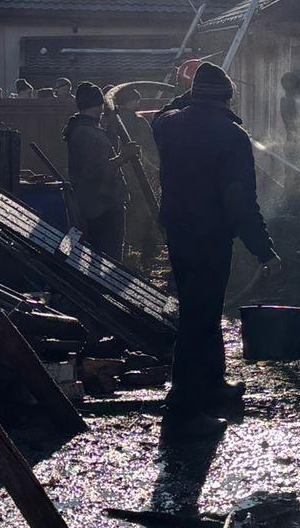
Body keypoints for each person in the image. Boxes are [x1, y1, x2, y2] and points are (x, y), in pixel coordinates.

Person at [152, 61, 279, 435]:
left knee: (203, 312)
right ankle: (184, 411)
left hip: (178, 233)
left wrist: (190, 92)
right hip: (209, 237)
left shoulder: (169, 126)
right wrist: (263, 250)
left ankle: (212, 385)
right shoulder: (231, 136)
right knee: (198, 318)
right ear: (227, 99)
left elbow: (162, 113)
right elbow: (239, 200)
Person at [64, 82, 133, 261]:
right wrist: (122, 157)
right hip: (101, 208)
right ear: (98, 106)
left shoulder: (87, 130)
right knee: (108, 260)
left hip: (99, 205)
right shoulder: (86, 134)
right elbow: (95, 173)